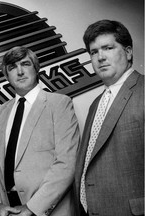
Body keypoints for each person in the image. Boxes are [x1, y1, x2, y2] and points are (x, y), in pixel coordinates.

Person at [0, 46, 80, 216]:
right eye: (12, 67)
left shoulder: (59, 104)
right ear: (6, 76)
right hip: (8, 209)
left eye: (25, 64)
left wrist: (32, 208)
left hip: (49, 210)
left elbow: (67, 163)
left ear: (36, 68)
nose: (20, 71)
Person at [74, 20, 144, 216]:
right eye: (94, 52)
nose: (100, 57)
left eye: (108, 48)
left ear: (128, 52)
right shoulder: (96, 103)